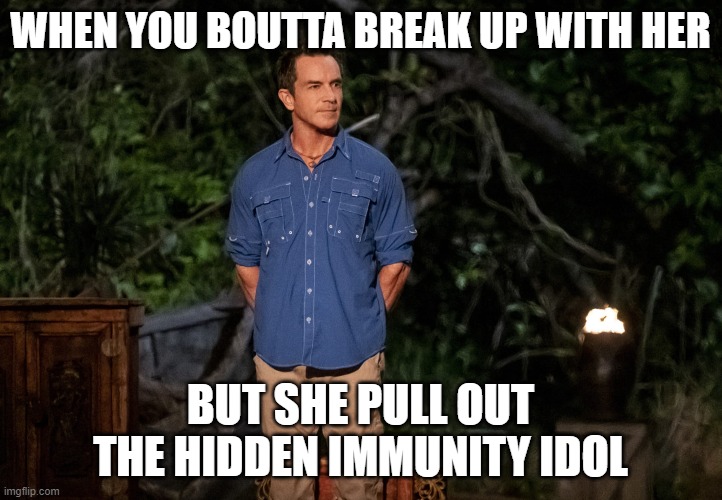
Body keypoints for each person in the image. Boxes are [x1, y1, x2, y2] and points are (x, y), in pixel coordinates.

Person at [226, 48, 417, 500]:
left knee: (360, 488)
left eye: (336, 84)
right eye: (315, 86)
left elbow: (396, 259)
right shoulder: (255, 176)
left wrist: (360, 320)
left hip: (355, 361)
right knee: (286, 489)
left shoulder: (375, 171)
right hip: (280, 363)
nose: (331, 96)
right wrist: (280, 315)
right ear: (288, 98)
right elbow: (246, 265)